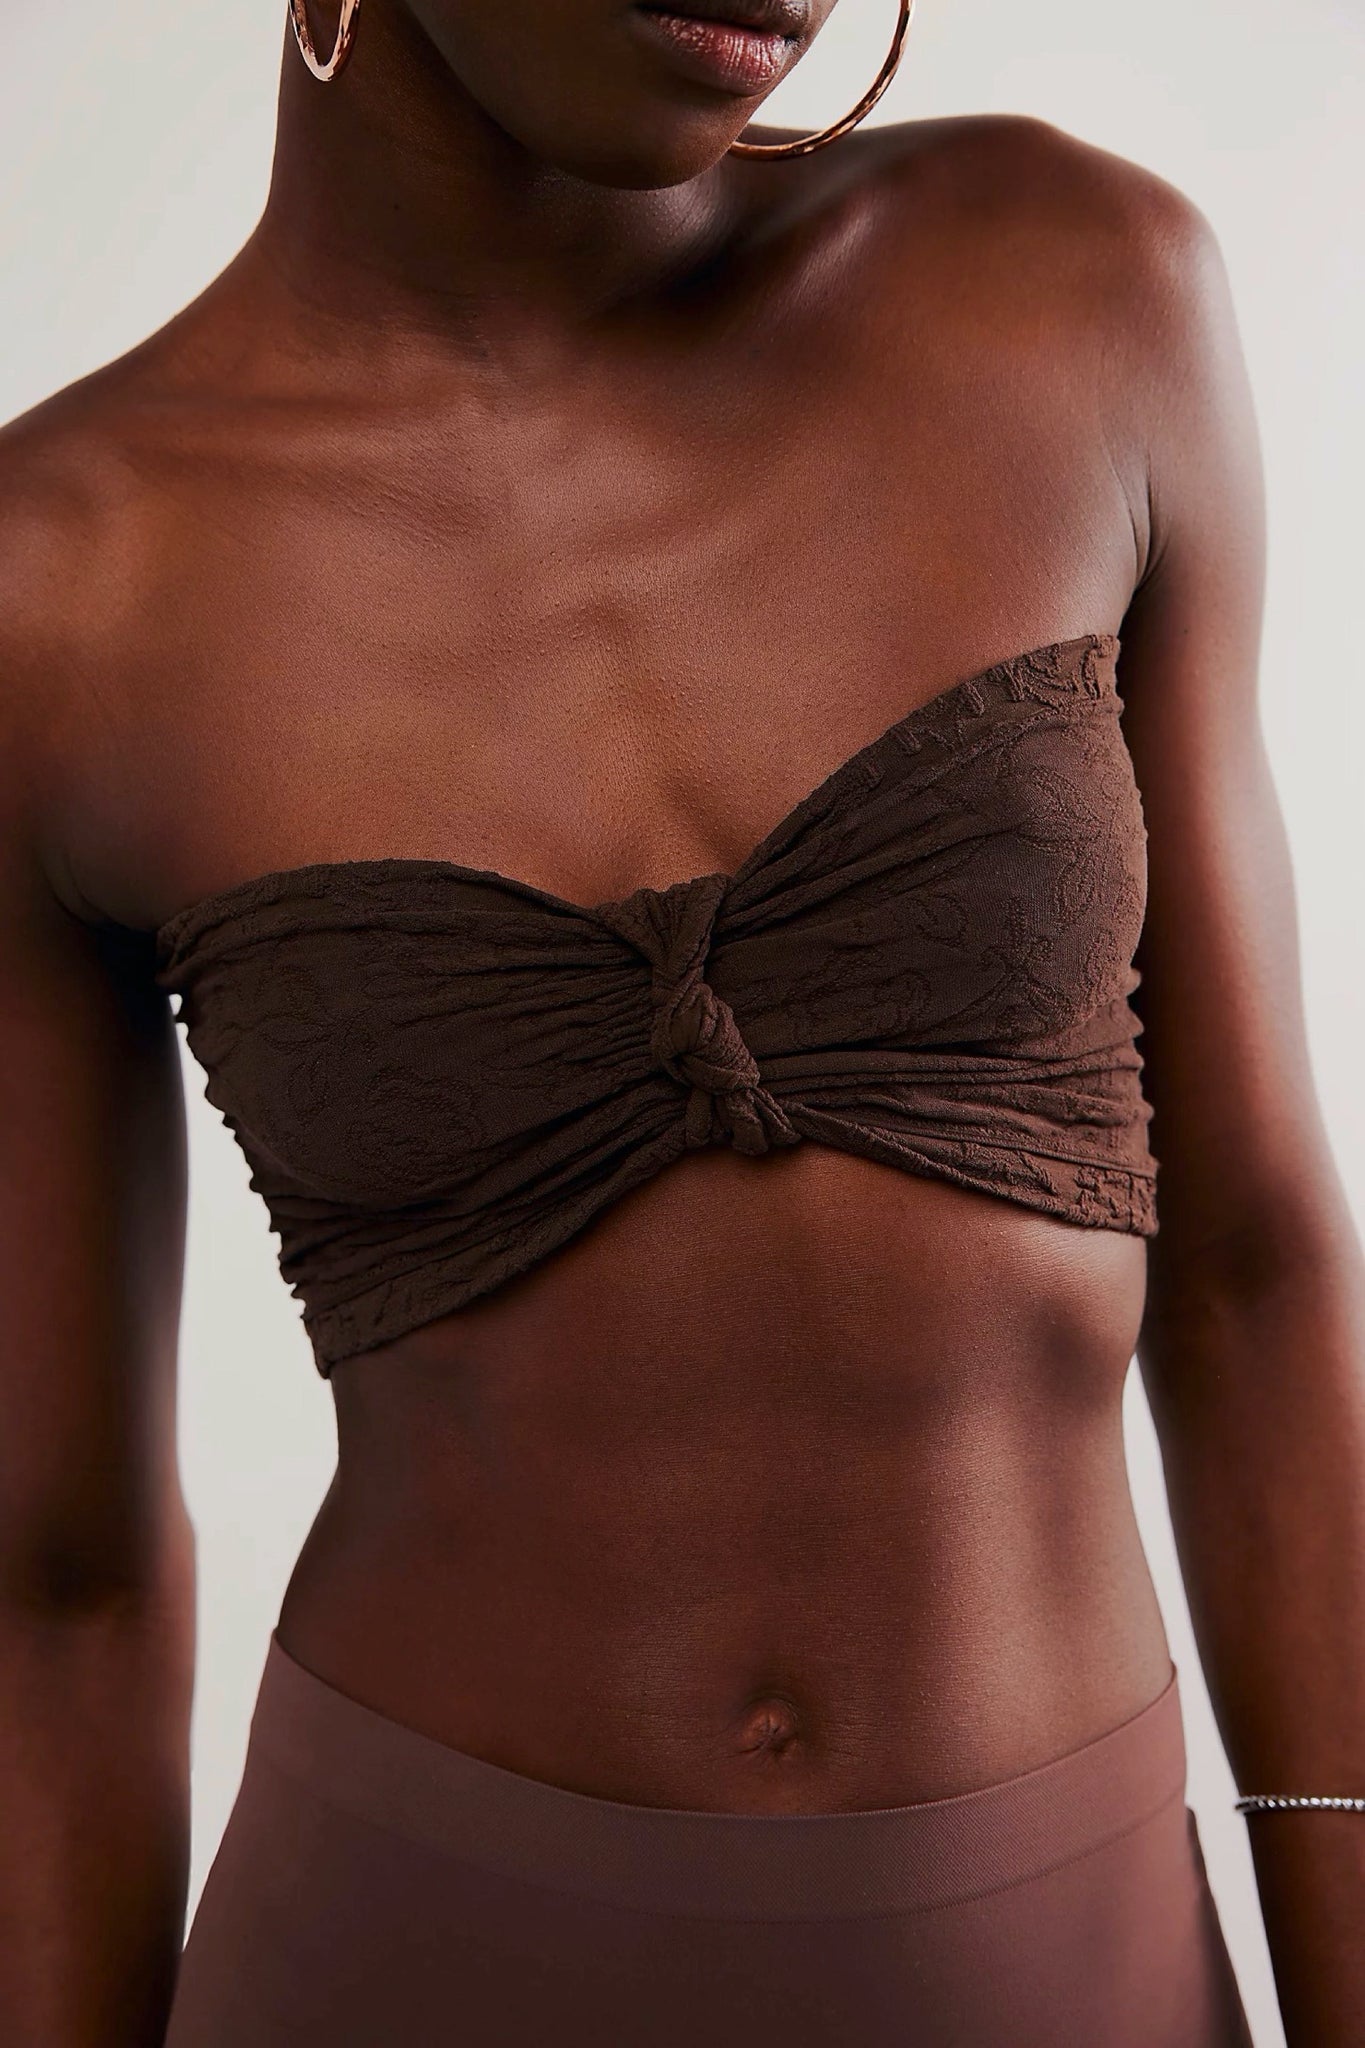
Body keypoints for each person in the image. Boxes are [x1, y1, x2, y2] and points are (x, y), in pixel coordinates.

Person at [1, 0, 1361, 2041]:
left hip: (1057, 1970)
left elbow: (1253, 1275)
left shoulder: (1073, 292)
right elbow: (60, 1593)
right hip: (392, 1961)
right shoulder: (56, 589)